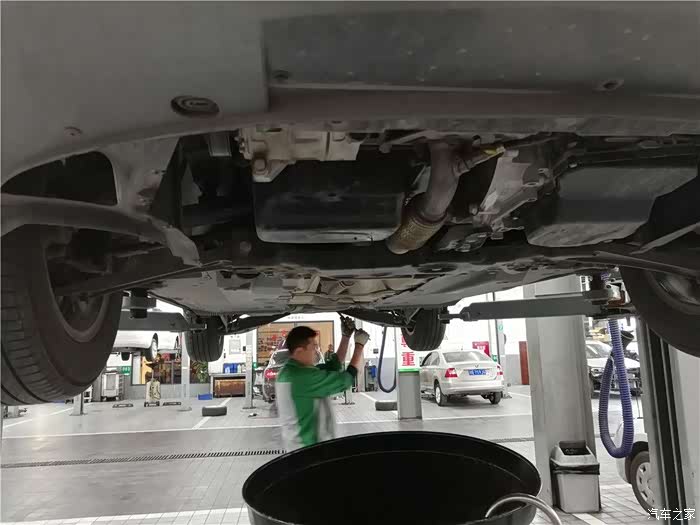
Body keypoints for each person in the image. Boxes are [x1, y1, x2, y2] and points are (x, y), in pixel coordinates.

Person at [276, 316, 369, 450]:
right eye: (313, 347)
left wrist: (346, 337)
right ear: (299, 351)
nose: (316, 351)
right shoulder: (301, 378)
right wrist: (359, 346)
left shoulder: (291, 372)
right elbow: (345, 380)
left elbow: (333, 367)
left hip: (302, 449)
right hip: (310, 451)